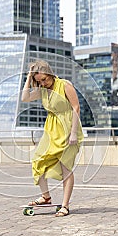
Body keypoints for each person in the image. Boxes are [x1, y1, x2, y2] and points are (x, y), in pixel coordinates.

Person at [21, 59, 84, 217]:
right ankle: (46, 197)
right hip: (51, 129)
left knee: (65, 168)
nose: (43, 83)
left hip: (68, 126)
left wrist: (74, 132)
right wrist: (29, 78)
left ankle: (65, 205)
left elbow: (76, 107)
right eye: (39, 81)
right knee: (38, 160)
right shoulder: (42, 90)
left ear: (50, 74)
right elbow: (24, 98)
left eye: (45, 79)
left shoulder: (64, 85)